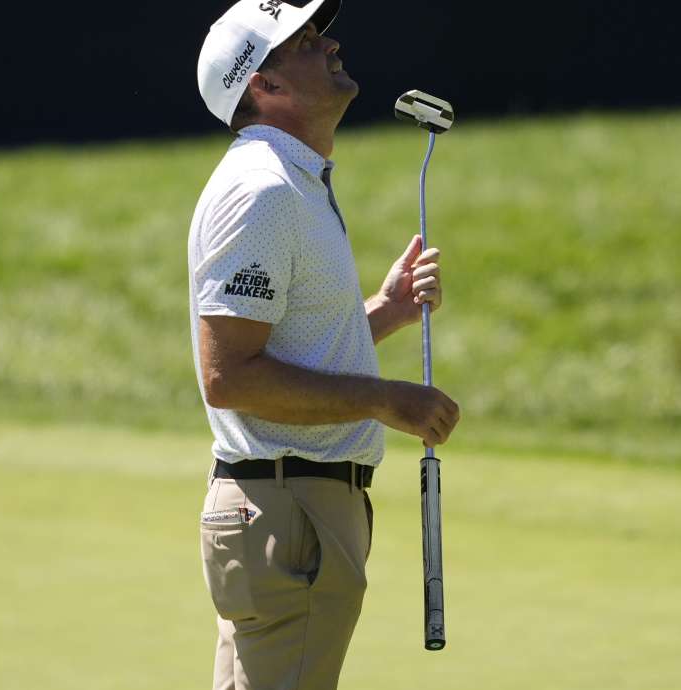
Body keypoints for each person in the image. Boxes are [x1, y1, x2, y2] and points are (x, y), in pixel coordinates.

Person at [188, 1, 460, 688]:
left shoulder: (290, 180)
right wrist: (384, 400)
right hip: (290, 511)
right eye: (307, 42)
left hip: (291, 509)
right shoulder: (264, 191)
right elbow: (230, 377)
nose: (332, 45)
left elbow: (288, 348)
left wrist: (384, 313)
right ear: (265, 84)